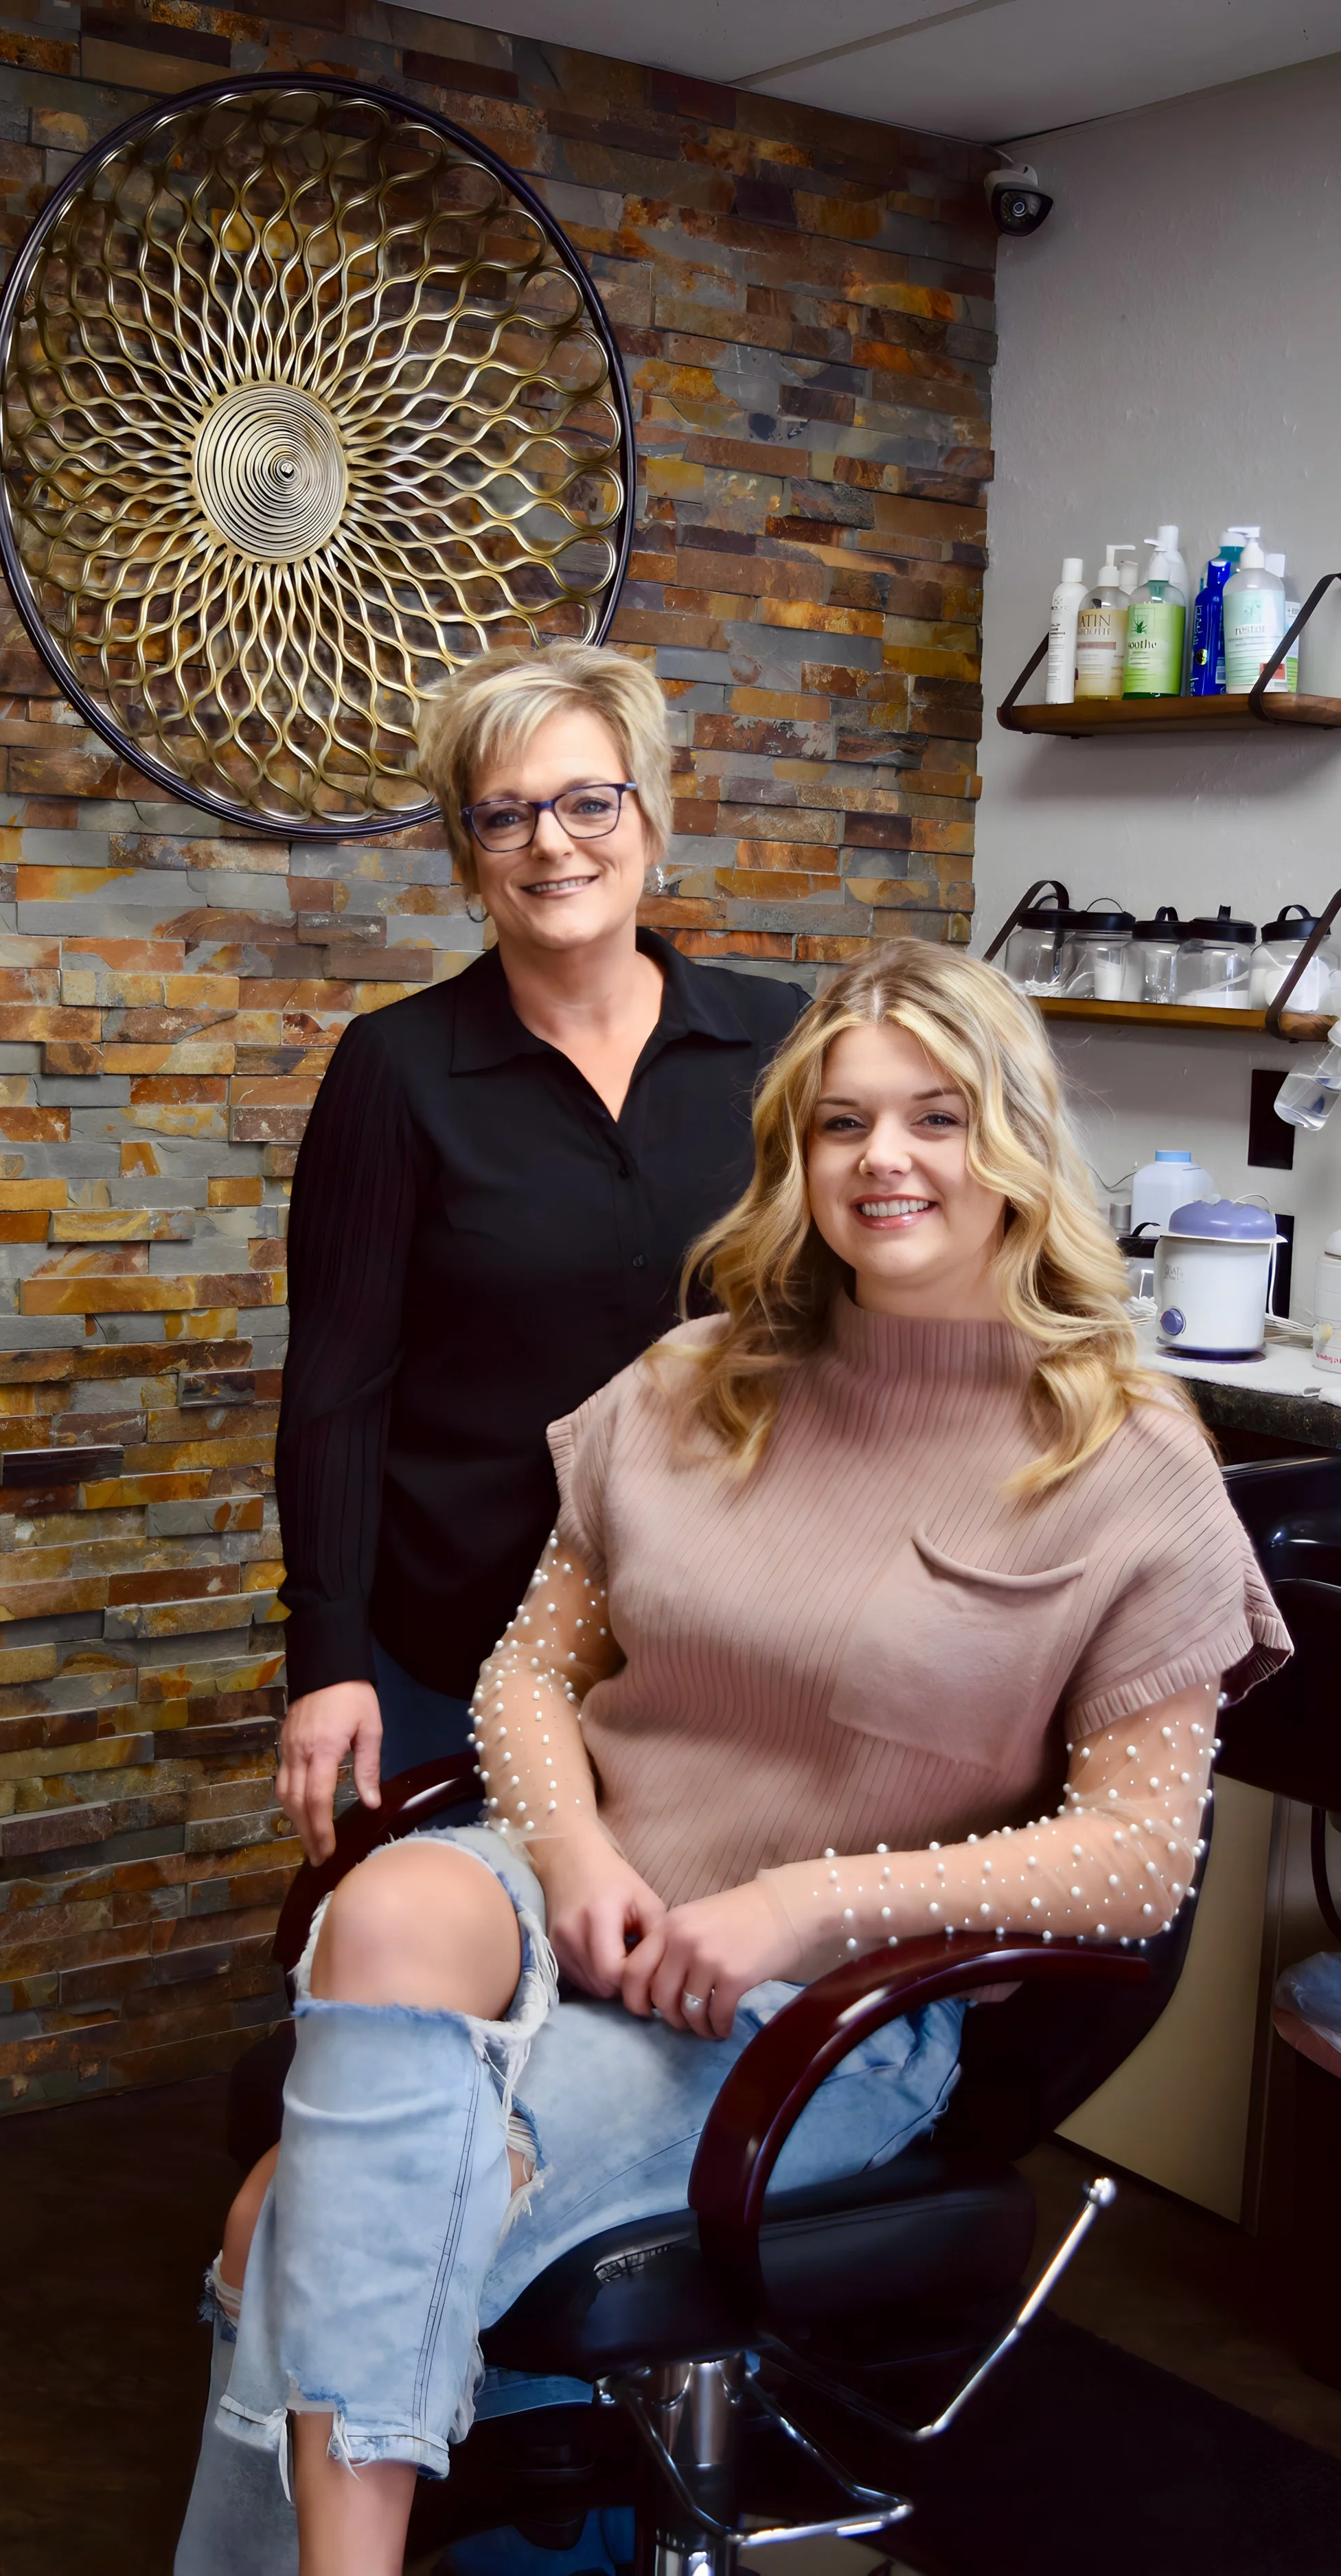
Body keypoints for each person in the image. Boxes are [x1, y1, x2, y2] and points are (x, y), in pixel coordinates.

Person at [180, 940, 1289, 2576]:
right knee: (391, 1907)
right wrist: (574, 1861)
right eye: (840, 1125)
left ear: (1014, 1145)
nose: (884, 1160)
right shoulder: (693, 1384)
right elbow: (526, 1679)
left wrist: (791, 1907)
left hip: (809, 1998)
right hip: (586, 1894)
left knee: (286, 2220)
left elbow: (1135, 1862)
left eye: (934, 1116)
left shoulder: (1121, 1459)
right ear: (791, 1157)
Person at [273, 643, 803, 1865]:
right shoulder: (396, 1070)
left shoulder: (780, 1040)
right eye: (505, 816)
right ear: (469, 856)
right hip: (448, 1638)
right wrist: (329, 1660)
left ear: (650, 817)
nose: (552, 844)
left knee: (667, 2003)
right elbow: (338, 1387)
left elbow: (841, 1318)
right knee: (448, 1986)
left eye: (586, 801)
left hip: (711, 1650)